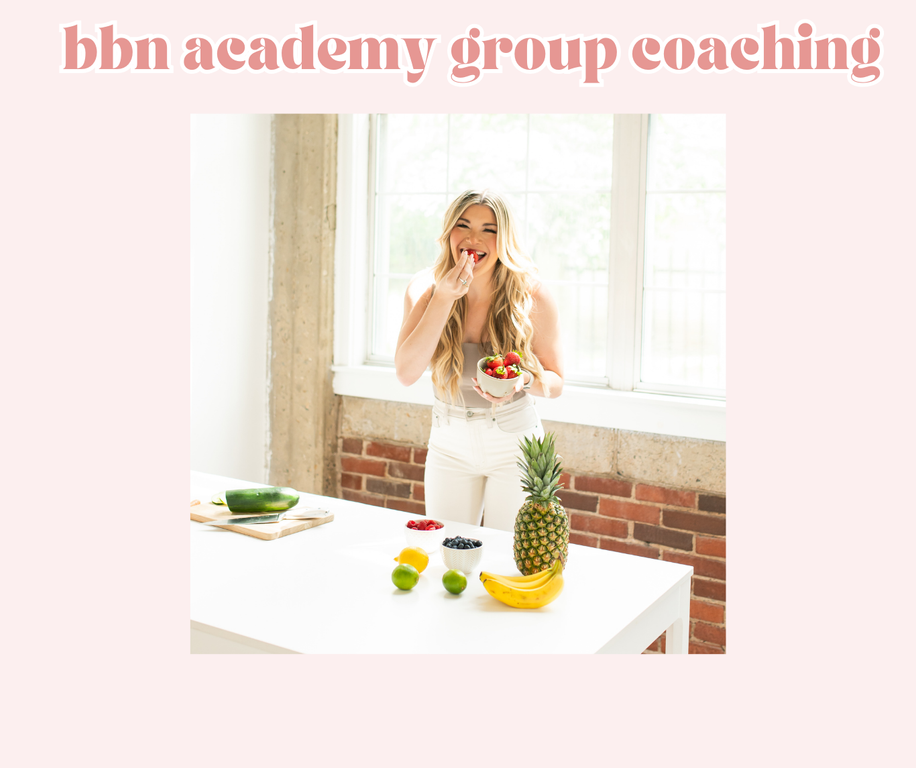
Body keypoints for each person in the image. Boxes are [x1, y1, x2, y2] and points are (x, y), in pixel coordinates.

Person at [394, 190, 564, 530]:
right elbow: (406, 373)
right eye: (464, 225)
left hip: (514, 443)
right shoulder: (424, 289)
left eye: (490, 229)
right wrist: (443, 298)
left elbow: (556, 382)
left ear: (505, 240)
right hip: (449, 445)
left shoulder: (531, 295)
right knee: (450, 551)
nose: (474, 238)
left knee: (508, 558)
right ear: (449, 233)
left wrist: (524, 381)